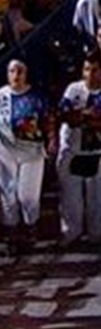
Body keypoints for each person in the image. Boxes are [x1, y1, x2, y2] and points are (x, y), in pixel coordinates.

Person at [56, 49, 101, 245]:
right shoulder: (72, 90)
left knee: (99, 193)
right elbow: (66, 115)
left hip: (99, 152)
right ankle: (71, 231)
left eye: (95, 69)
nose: (90, 74)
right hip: (73, 149)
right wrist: (87, 116)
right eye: (87, 69)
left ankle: (96, 232)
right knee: (70, 194)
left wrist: (88, 118)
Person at [0, 54, 50, 256]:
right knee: (7, 194)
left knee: (27, 195)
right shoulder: (1, 95)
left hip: (31, 151)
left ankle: (31, 228)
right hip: (5, 150)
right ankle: (11, 232)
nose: (16, 75)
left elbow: (48, 122)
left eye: (20, 71)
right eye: (12, 71)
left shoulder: (36, 97)